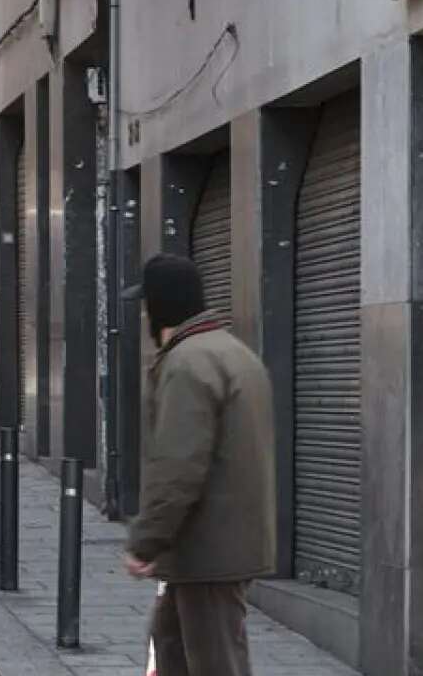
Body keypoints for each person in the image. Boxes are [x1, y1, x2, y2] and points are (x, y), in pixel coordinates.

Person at [121, 253, 275, 676]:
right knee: (171, 643)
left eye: (147, 304)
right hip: (221, 540)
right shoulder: (233, 352)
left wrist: (147, 540)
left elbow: (178, 465)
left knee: (214, 661)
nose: (145, 314)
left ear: (160, 306)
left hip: (209, 547)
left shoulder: (188, 364)